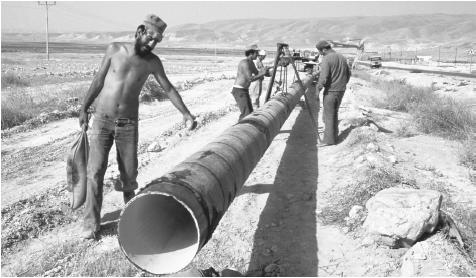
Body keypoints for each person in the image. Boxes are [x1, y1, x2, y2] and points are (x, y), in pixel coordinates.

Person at [78, 14, 197, 239]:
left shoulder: (152, 62)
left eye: (156, 41)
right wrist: (84, 107)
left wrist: (186, 114)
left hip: (128, 124)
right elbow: (98, 81)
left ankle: (131, 217)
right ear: (140, 31)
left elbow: (169, 89)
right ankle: (91, 224)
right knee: (95, 172)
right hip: (102, 119)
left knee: (129, 175)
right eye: (150, 38)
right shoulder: (114, 50)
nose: (151, 44)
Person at [315, 40, 351, 147]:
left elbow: (323, 77)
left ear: (324, 49)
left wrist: (318, 90)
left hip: (331, 91)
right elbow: (348, 74)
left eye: (321, 52)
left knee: (329, 115)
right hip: (341, 90)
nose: (320, 54)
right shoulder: (342, 57)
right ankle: (334, 136)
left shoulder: (327, 59)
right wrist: (342, 84)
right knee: (335, 113)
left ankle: (328, 140)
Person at [231, 44, 269, 121]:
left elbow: (257, 74)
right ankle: (240, 130)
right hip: (239, 91)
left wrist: (275, 67)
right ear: (251, 53)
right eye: (256, 53)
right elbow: (250, 79)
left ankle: (243, 128)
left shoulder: (251, 63)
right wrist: (262, 73)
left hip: (244, 90)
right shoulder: (245, 63)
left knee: (249, 112)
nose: (257, 54)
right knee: (246, 113)